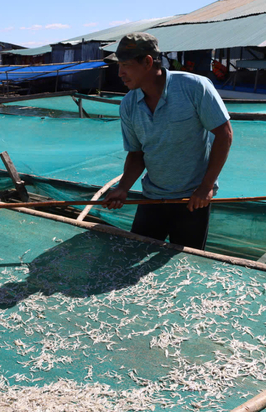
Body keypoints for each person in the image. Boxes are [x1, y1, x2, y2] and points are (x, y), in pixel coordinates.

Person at [102, 33, 233, 250]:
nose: (120, 73)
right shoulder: (128, 104)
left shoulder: (194, 87)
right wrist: (123, 188)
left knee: (186, 266)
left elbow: (224, 134)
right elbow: (136, 154)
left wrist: (206, 187)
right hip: (151, 198)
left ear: (147, 62)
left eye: (125, 65)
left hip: (192, 199)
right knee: (135, 253)